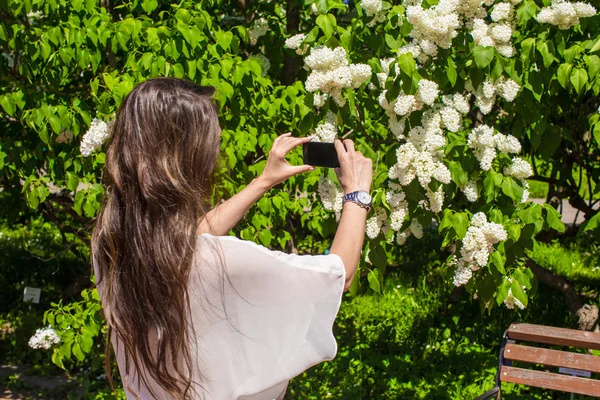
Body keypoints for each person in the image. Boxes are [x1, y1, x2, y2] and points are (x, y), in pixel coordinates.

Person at [91, 77, 373, 399]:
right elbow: (339, 273)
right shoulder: (222, 262)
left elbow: (182, 240)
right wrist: (356, 194)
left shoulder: (112, 248)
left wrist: (262, 182)